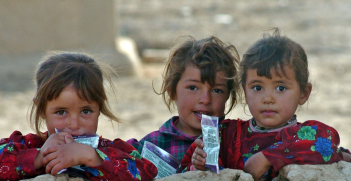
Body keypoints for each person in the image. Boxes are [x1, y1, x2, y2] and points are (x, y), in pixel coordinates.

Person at [179, 29, 351, 180]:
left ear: (304, 93)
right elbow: (183, 169)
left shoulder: (303, 134)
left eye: (281, 88)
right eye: (257, 87)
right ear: (244, 92)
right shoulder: (226, 135)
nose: (268, 98)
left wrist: (267, 157)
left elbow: (326, 141)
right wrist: (199, 164)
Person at [0, 52, 157, 180]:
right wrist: (40, 157)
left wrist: (91, 157)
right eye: (61, 112)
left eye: (86, 111)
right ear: (41, 110)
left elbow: (148, 172)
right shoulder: (26, 145)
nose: (74, 125)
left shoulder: (113, 151)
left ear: (99, 108)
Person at [127, 35, 240, 163]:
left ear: (228, 96)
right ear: (172, 91)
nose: (205, 99)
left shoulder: (236, 142)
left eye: (217, 90)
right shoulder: (152, 147)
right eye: (193, 88)